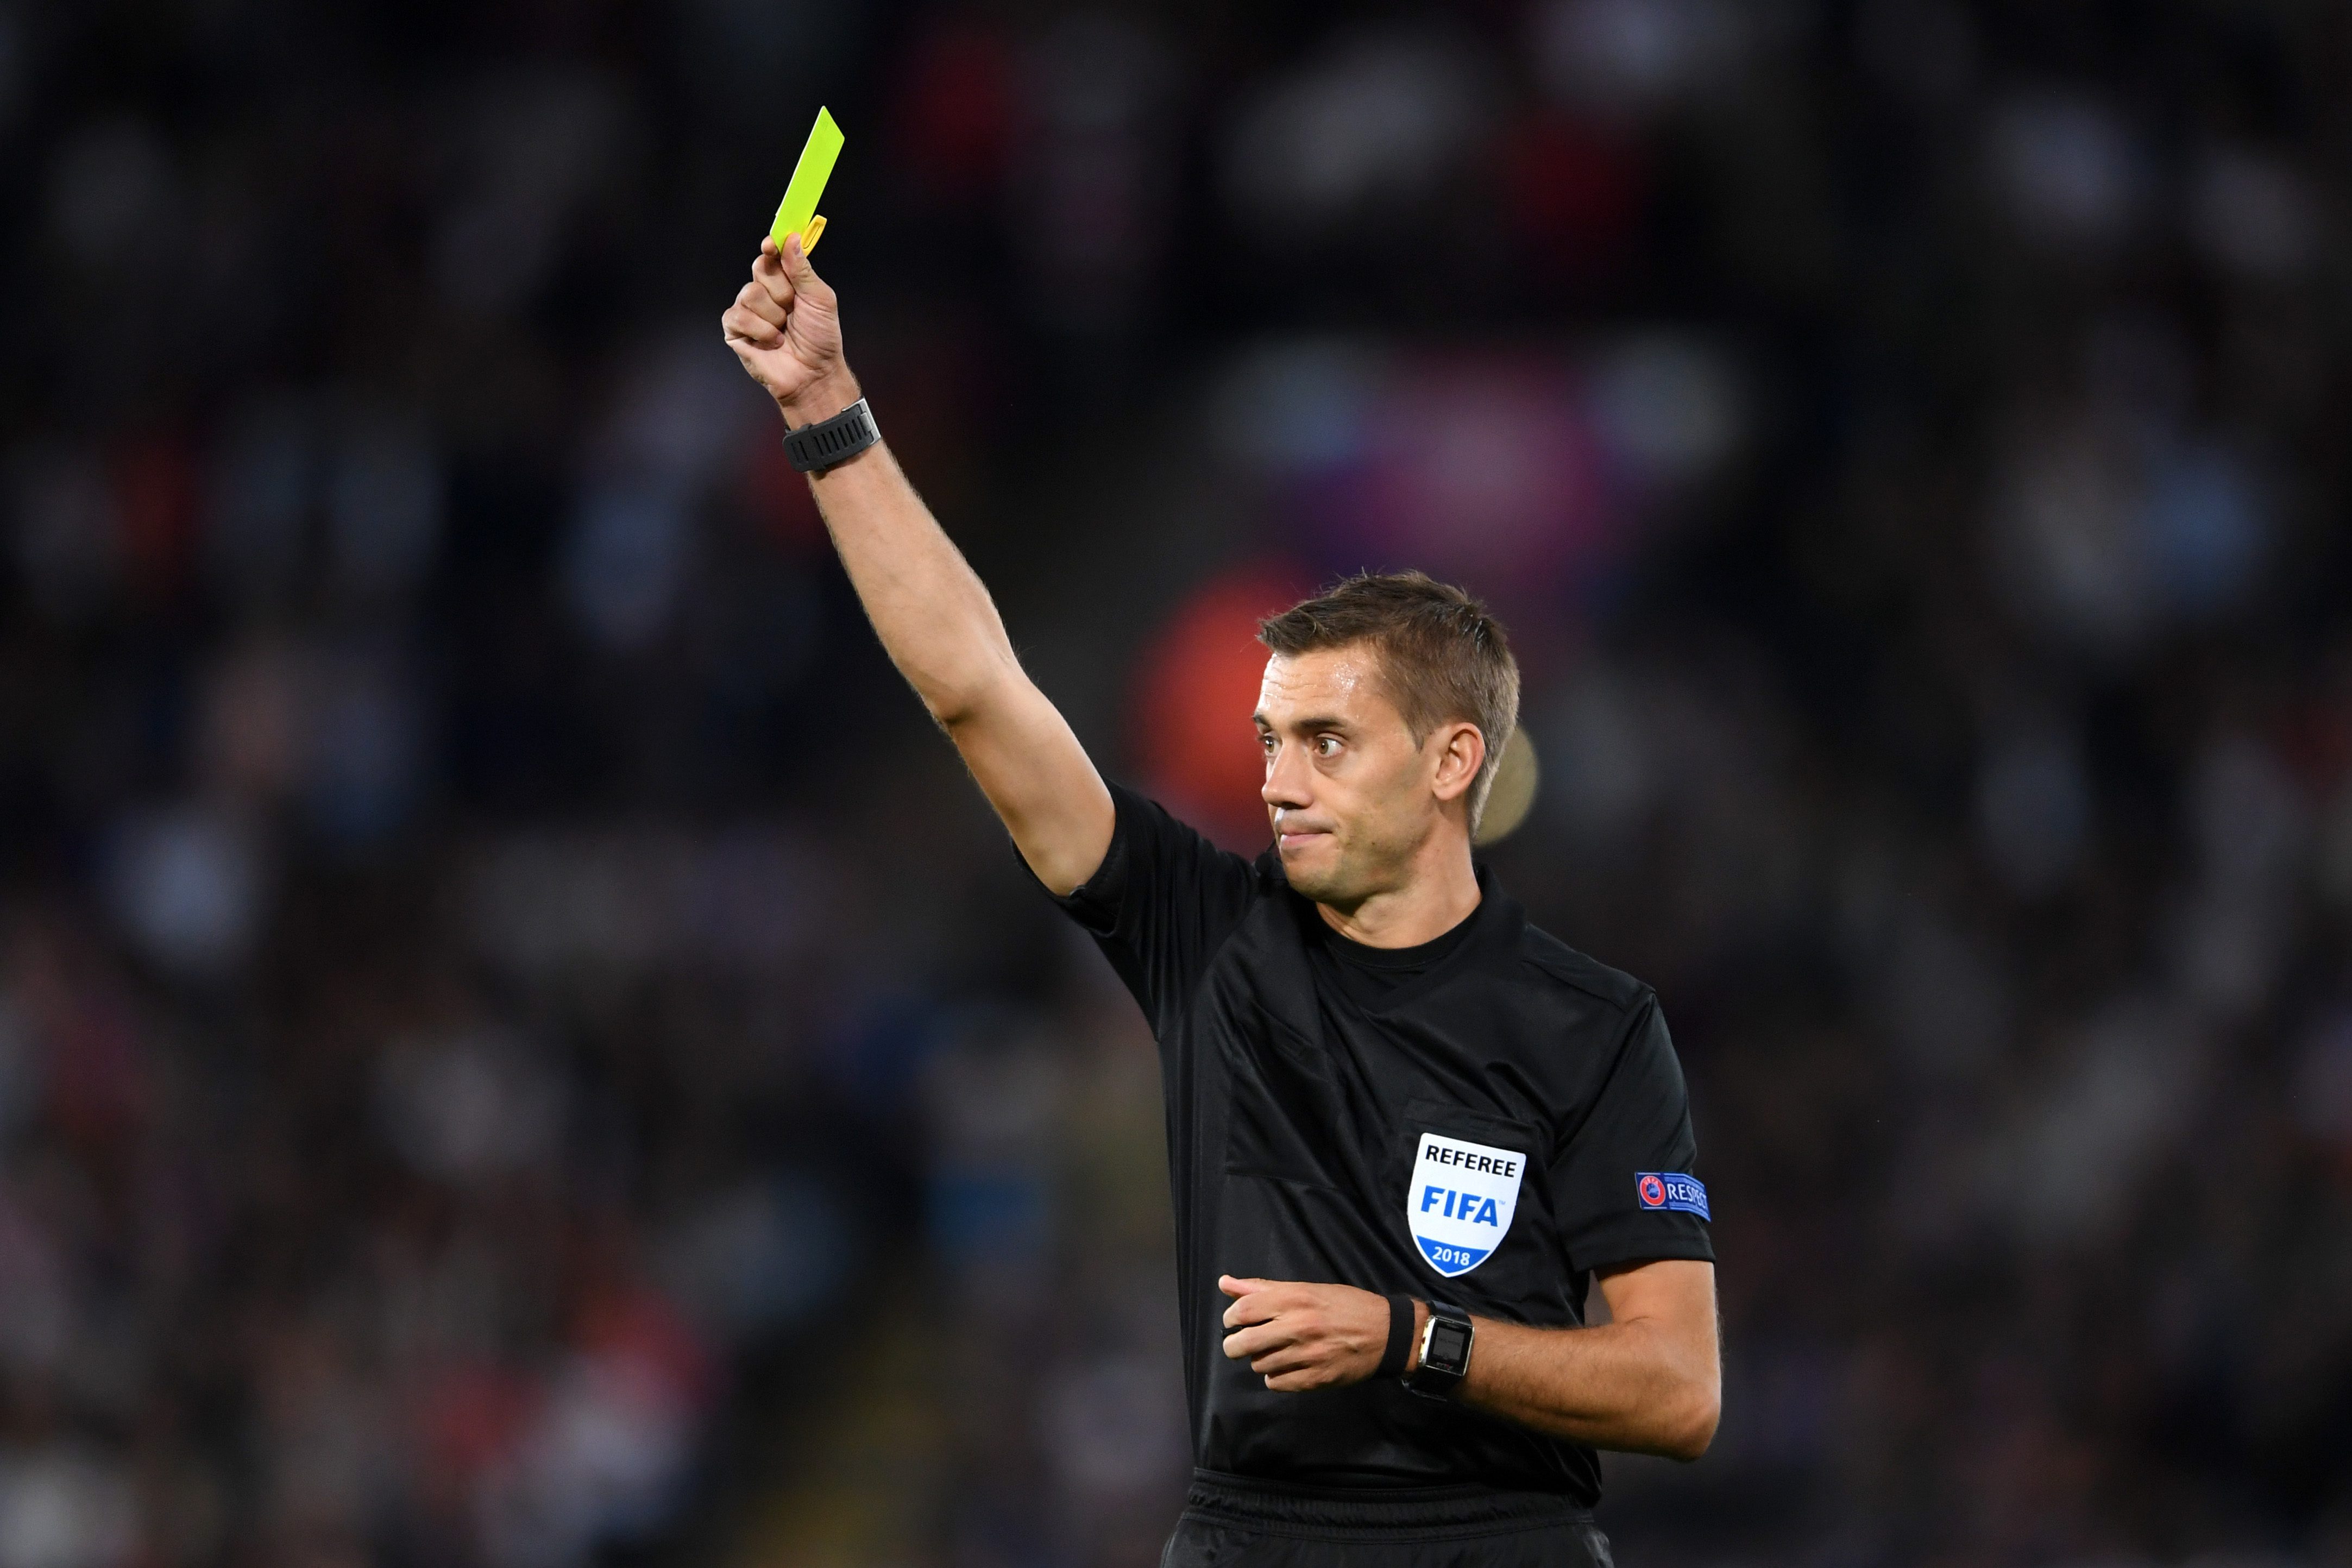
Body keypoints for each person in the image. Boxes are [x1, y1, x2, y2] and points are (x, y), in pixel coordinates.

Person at [724, 234, 1720, 1568]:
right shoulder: (1213, 940)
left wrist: (1408, 1339)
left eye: (1327, 743)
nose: (1278, 782)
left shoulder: (1589, 1027)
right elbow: (976, 686)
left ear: (1451, 761)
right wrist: (824, 413)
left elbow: (1678, 1389)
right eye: (1269, 742)